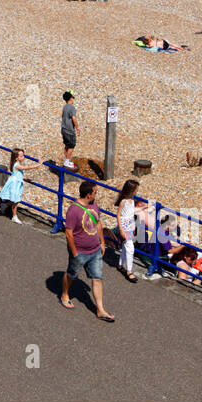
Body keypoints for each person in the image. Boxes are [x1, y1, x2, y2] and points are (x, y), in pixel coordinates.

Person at [60, 180, 115, 321]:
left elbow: (98, 223)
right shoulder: (74, 210)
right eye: (95, 192)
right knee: (72, 274)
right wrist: (74, 252)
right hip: (80, 252)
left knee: (97, 278)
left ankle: (100, 309)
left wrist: (102, 242)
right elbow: (68, 232)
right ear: (89, 194)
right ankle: (65, 294)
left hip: (95, 250)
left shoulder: (94, 205)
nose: (97, 194)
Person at [0, 148, 40, 224]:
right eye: (21, 156)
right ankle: (14, 216)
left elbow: (20, 175)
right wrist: (38, 164)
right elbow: (26, 168)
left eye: (23, 155)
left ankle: (4, 204)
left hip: (17, 184)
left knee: (15, 200)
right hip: (14, 184)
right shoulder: (16, 165)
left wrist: (27, 179)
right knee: (16, 201)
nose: (23, 157)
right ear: (16, 158)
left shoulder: (17, 164)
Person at [114, 178, 141, 282]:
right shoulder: (124, 201)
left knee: (126, 247)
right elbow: (119, 214)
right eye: (136, 189)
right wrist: (121, 229)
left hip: (130, 226)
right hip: (125, 227)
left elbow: (132, 211)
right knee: (130, 248)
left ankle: (120, 264)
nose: (137, 191)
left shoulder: (132, 201)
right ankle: (129, 271)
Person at [60, 91, 78, 170]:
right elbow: (73, 118)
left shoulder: (65, 107)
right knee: (71, 146)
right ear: (70, 98)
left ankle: (66, 160)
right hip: (69, 130)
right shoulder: (72, 107)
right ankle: (67, 161)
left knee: (66, 145)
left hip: (63, 129)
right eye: (73, 97)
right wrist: (77, 127)